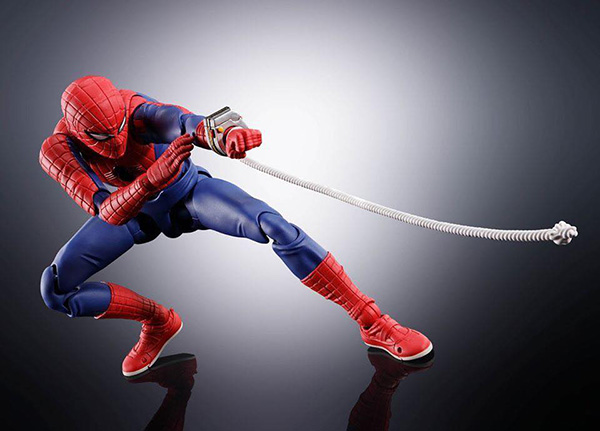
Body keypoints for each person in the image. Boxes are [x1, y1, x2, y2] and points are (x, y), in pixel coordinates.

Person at [39, 75, 432, 376]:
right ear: (78, 130)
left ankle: (373, 322)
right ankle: (157, 320)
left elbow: (181, 121)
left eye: (120, 127)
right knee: (56, 289)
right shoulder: (59, 150)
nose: (117, 140)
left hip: (188, 194)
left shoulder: (134, 110)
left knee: (276, 226)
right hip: (133, 214)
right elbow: (107, 211)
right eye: (102, 135)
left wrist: (226, 133)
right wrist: (149, 182)